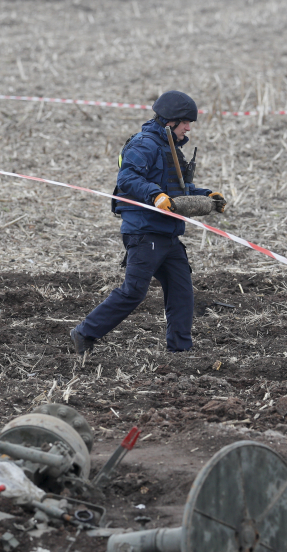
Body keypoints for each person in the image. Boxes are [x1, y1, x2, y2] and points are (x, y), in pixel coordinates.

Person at [70, 90, 227, 354]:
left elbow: (180, 191)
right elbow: (127, 179)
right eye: (186, 122)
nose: (189, 128)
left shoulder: (173, 149)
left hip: (168, 234)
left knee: (182, 293)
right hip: (144, 233)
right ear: (170, 121)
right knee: (133, 292)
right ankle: (84, 332)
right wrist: (154, 196)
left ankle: (180, 351)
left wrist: (207, 195)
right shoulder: (144, 144)